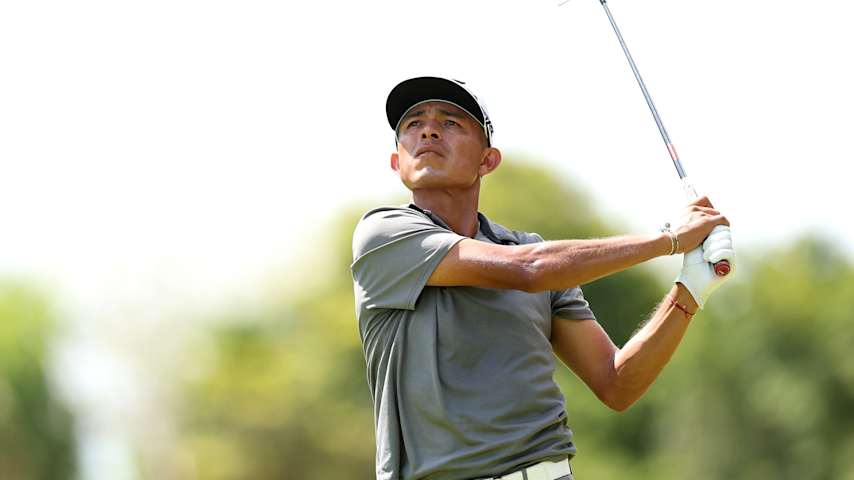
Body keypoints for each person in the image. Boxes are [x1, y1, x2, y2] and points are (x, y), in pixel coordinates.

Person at [350, 76, 734, 480]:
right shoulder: (384, 235)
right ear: (397, 162)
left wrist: (689, 290)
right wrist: (669, 241)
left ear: (487, 161)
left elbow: (616, 383)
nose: (428, 130)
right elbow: (527, 269)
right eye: (413, 124)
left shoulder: (532, 250)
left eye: (450, 122)